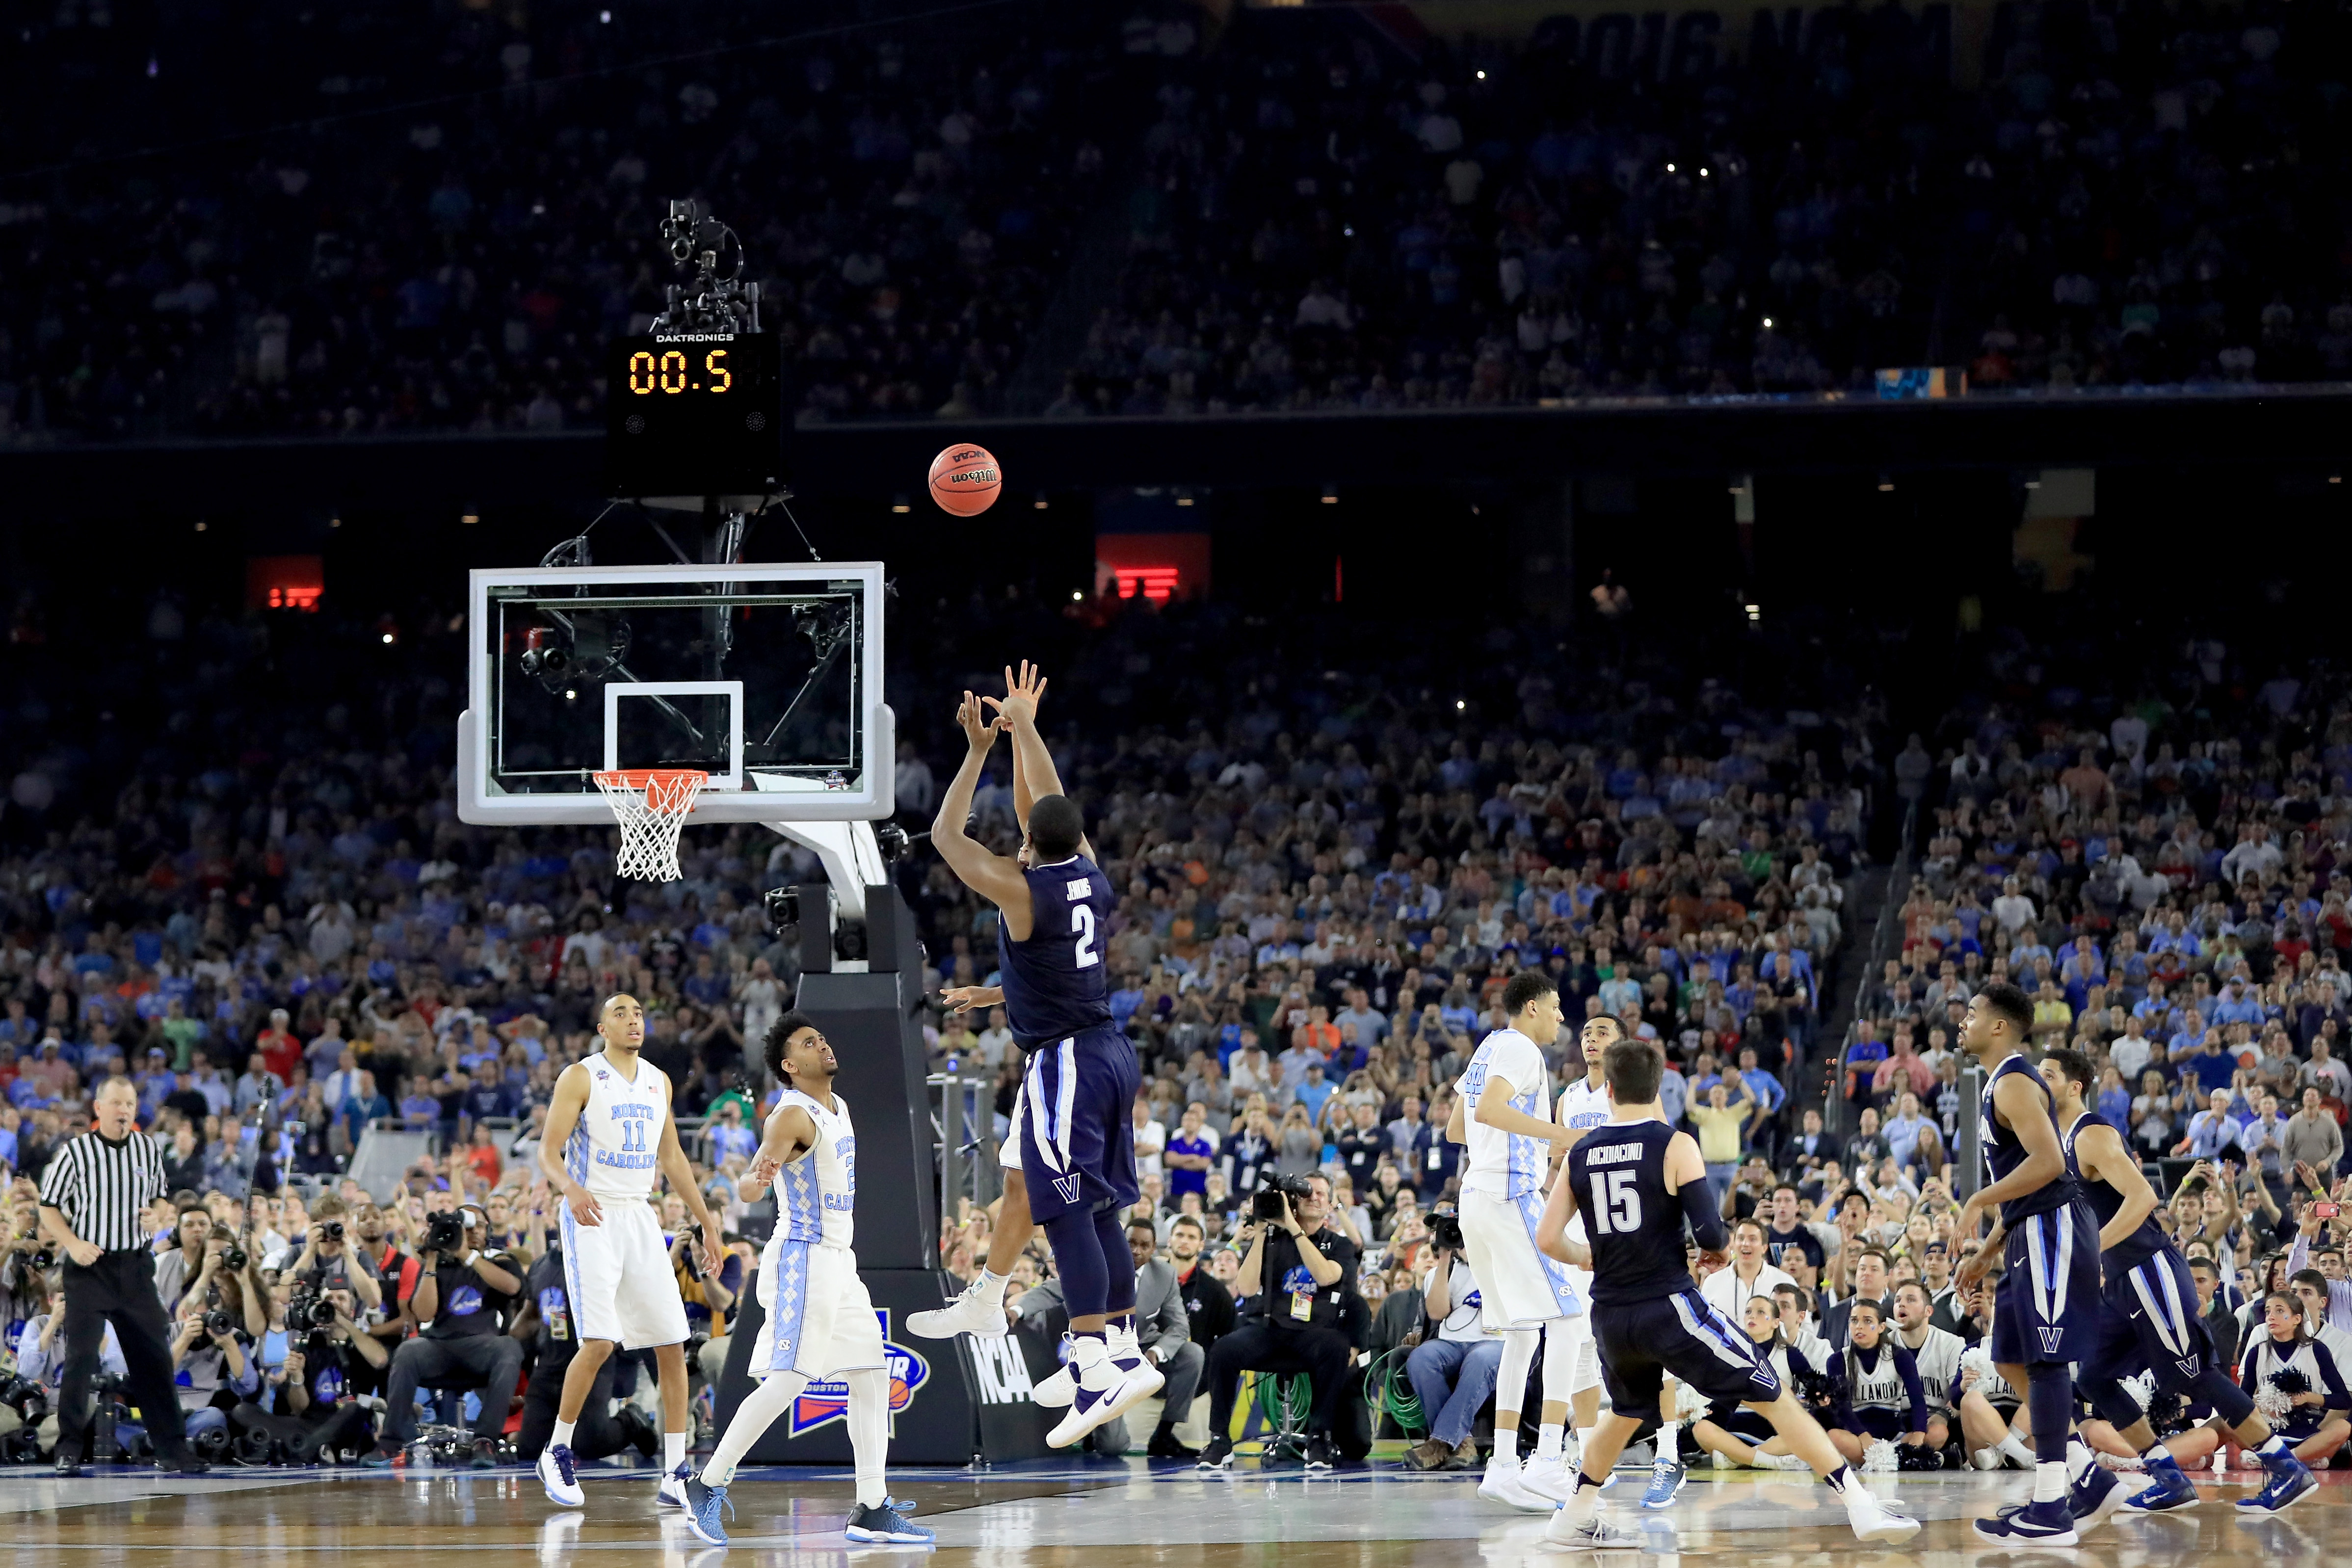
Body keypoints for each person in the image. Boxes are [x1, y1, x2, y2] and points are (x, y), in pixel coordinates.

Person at [1535, 1037, 1916, 1550]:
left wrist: (1588, 1257)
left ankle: (1571, 1519)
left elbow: (1547, 1238)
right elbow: (1713, 1234)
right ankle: (1860, 1505)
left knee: (1625, 1412)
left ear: (1606, 1089)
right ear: (1659, 1089)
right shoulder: (1674, 1144)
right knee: (1773, 1396)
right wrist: (1711, 1252)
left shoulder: (1581, 1151)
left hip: (1609, 1311)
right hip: (1667, 1306)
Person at [924, 666, 1155, 1447]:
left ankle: (1093, 1360)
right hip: (1108, 1048)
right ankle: (1120, 1341)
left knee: (1063, 1207)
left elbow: (947, 839)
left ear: (1026, 846)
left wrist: (977, 749)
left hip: (1065, 1062)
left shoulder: (1024, 890)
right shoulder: (1086, 869)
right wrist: (1025, 726)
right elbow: (1046, 804)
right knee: (1089, 1199)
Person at [2031, 1046, 2316, 1518]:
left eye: (2047, 1075)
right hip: (2121, 1281)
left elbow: (2144, 1196)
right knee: (2096, 1375)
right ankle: (2166, 1476)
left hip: (2149, 1269)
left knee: (2195, 1374)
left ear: (2073, 1085)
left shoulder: (2091, 1133)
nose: (2037, 1084)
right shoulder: (2059, 1142)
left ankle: (2284, 1467)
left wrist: (2091, 1249)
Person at [682, 1014, 932, 1547]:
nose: (824, 1044)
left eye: (822, 1037)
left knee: (869, 1375)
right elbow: (750, 1187)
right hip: (802, 1256)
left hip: (839, 1261)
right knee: (791, 1378)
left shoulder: (839, 1108)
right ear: (791, 1066)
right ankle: (706, 1483)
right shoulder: (790, 1115)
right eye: (809, 1043)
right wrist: (757, 1178)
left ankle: (870, 1506)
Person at [531, 993, 727, 1509]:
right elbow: (548, 1151)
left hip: (639, 1213)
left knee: (671, 1342)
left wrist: (707, 1223)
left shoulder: (658, 1080)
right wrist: (570, 1189)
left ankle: (676, 1470)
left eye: (638, 1013)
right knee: (598, 1342)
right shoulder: (580, 1076)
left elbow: (673, 1158)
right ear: (602, 1027)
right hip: (591, 1214)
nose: (633, 1019)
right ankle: (556, 1451)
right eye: (621, 1013)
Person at [1950, 982, 2103, 1543]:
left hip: (2050, 1228)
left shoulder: (2013, 1080)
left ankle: (2051, 1508)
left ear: (1997, 1026)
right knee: (2009, 1355)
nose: (1960, 1022)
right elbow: (2020, 1182)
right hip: (2025, 1231)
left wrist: (1975, 1200)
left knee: (2044, 1365)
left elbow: (2045, 1163)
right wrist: (1987, 1251)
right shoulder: (2001, 1081)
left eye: (1970, 1013)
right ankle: (2086, 1477)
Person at [1443, 971, 1588, 1511]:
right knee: (1569, 1318)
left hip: (1475, 1198)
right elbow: (1486, 1113)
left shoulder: (1485, 1049)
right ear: (1531, 1007)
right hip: (1509, 1198)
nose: (1560, 1020)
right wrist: (1559, 1136)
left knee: (1523, 1334)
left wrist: (1518, 1137)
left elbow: (1457, 1128)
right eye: (1555, 1010)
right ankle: (1548, 1458)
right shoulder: (1521, 1049)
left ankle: (1503, 1464)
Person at [35, 1076, 208, 1476]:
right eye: (116, 1103)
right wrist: (72, 1243)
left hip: (134, 1267)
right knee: (81, 1358)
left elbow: (162, 1197)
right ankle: (69, 1447)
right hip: (89, 1268)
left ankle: (173, 1449)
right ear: (99, 1108)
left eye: (129, 1103)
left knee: (155, 1358)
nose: (124, 1110)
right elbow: (49, 1208)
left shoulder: (148, 1149)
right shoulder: (75, 1153)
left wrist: (159, 1214)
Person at [1197, 1172, 1360, 1471]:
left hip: (1314, 1335)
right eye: (1307, 1193)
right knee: (1224, 1351)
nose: (1314, 1197)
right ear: (1293, 1202)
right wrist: (1260, 1233)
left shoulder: (1340, 1245)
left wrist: (1296, 1230)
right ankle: (1220, 1440)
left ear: (1329, 1205)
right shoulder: (1272, 1240)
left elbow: (1325, 1276)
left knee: (1337, 1345)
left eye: (1321, 1194)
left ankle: (1318, 1438)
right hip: (1270, 1332)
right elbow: (1246, 1289)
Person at [364, 1200, 522, 1468]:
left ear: (488, 1232)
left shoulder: (501, 1261)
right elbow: (424, 1315)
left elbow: (513, 1288)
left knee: (509, 1348)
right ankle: (390, 1443)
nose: (471, 1233)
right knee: (408, 1351)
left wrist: (467, 1255)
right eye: (464, 1227)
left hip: (482, 1348)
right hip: (440, 1346)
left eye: (477, 1227)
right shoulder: (437, 1267)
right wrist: (431, 1259)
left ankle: (486, 1441)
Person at [1403, 1224, 1504, 1471]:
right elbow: (1437, 1313)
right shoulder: (1441, 1272)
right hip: (1451, 1342)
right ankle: (1462, 1442)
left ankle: (1440, 1443)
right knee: (1421, 1358)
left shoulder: (1507, 1262)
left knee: (1479, 1360)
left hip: (1499, 1341)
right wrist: (1446, 1257)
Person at [2240, 1291, 2352, 1464]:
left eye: (2279, 1311)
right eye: (2268, 1312)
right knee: (2224, 1422)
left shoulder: (2316, 1350)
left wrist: (2309, 1398)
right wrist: (2265, 1406)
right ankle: (2302, 1458)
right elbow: (2241, 1401)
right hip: (2268, 1430)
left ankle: (2285, 1460)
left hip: (2308, 1428)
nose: (2271, 1317)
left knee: (2343, 1427)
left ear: (2297, 1319)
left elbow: (2344, 1401)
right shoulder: (2257, 1353)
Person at [1821, 1299, 1926, 1466]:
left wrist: (1919, 1437)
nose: (1859, 1326)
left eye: (1867, 1321)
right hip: (1858, 1438)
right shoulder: (1837, 1360)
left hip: (1896, 1438)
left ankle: (1879, 1461)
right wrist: (1863, 1436)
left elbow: (1918, 1401)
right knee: (1835, 1436)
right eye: (1854, 1320)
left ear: (1882, 1327)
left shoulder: (1900, 1356)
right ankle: (1899, 1462)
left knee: (1937, 1433)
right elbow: (1842, 1408)